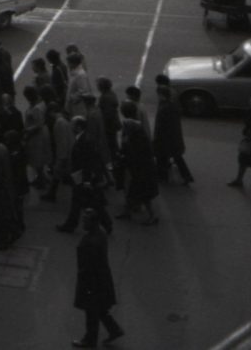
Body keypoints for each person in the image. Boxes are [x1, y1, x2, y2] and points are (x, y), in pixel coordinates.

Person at [71, 209, 124, 348]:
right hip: (102, 280)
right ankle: (114, 329)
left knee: (91, 313)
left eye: (85, 221)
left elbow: (88, 266)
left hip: (92, 282)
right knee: (99, 308)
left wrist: (86, 285)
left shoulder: (91, 242)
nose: (83, 223)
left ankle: (90, 340)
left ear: (92, 223)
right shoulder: (100, 234)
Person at [57, 117, 112, 235]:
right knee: (86, 201)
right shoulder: (85, 138)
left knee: (86, 201)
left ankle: (71, 225)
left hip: (83, 177)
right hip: (82, 176)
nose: (71, 127)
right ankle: (106, 224)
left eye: (73, 125)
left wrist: (87, 180)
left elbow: (88, 162)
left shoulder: (85, 140)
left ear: (78, 127)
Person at [115, 101, 159, 225]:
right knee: (133, 190)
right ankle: (127, 211)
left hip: (139, 166)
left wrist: (123, 154)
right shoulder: (136, 126)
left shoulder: (131, 126)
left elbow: (131, 146)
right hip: (140, 164)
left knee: (140, 191)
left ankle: (152, 215)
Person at [153, 85, 194, 185]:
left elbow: (160, 126)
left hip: (165, 138)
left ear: (161, 95)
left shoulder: (163, 107)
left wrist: (156, 138)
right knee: (177, 157)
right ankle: (186, 176)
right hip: (174, 137)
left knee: (161, 157)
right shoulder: (172, 105)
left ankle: (162, 177)